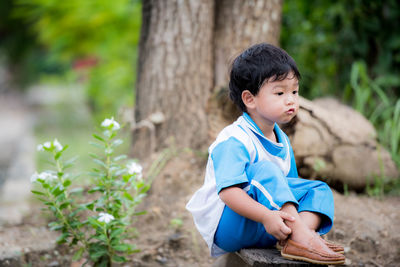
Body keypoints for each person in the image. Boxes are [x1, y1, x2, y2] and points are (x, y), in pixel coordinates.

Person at [186, 43, 345, 265]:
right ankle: (300, 234)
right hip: (230, 223)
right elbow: (229, 193)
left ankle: (297, 237)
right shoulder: (234, 140)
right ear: (250, 99)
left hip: (271, 223)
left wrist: (275, 217)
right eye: (280, 92)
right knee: (265, 169)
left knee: (319, 190)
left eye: (294, 91)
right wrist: (266, 216)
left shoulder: (282, 140)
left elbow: (288, 188)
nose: (290, 99)